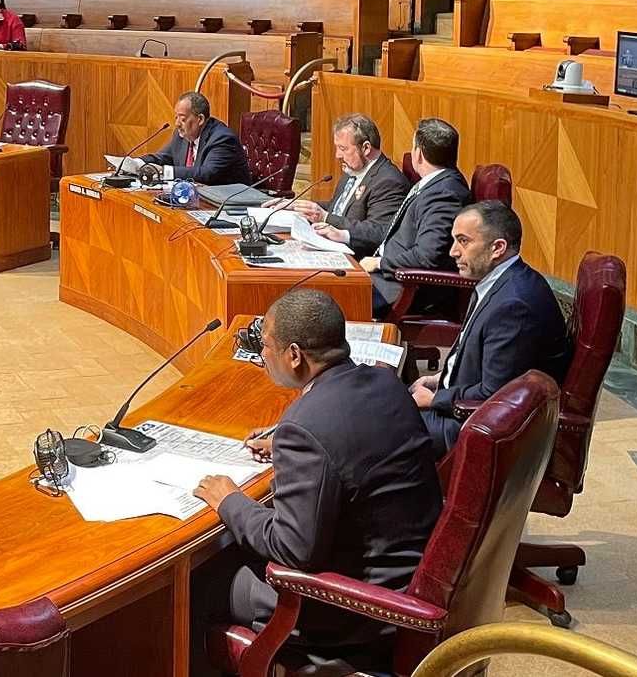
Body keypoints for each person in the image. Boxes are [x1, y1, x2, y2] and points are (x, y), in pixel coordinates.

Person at [190, 289, 442, 666]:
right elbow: (352, 443)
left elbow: (293, 550)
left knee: (197, 583)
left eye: (266, 345)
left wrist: (229, 500)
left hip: (359, 607)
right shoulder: (386, 382)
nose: (261, 354)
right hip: (412, 573)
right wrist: (293, 446)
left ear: (294, 355)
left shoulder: (306, 426)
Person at [409, 201, 572, 457]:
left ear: (497, 248)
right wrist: (441, 378)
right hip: (462, 410)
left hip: (469, 428)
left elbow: (494, 395)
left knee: (370, 427)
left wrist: (435, 400)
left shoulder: (514, 305)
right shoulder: (501, 281)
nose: (453, 252)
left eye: (463, 241)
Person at [359, 118, 471, 318]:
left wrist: (379, 263)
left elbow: (427, 256)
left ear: (418, 153)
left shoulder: (445, 194)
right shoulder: (436, 183)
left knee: (326, 298)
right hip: (386, 278)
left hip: (399, 289)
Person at [274, 114, 410, 256]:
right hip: (327, 245)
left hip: (355, 258)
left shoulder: (389, 181)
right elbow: (336, 208)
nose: (337, 155)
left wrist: (325, 218)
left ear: (366, 148)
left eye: (343, 148)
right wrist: (297, 205)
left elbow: (379, 231)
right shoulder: (353, 169)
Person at [137, 91, 251, 186]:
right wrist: (136, 163)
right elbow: (163, 158)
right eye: (176, 117)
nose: (177, 124)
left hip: (227, 201)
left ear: (200, 119)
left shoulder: (222, 138)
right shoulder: (183, 135)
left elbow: (207, 173)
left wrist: (164, 171)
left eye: (182, 119)